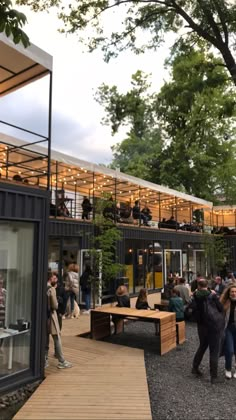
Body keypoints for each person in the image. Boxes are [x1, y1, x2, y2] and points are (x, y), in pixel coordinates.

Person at [191, 279, 224, 384]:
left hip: (201, 326)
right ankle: (213, 377)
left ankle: (195, 368)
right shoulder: (212, 295)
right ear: (207, 285)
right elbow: (221, 308)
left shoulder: (195, 295)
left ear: (198, 286)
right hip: (214, 326)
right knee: (214, 350)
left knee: (202, 346)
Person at [45, 272, 72, 369]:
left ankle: (45, 360)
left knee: (45, 339)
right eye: (53, 278)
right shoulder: (51, 289)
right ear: (50, 279)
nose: (55, 279)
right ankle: (61, 361)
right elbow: (55, 305)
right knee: (56, 337)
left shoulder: (40, 287)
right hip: (51, 316)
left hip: (42, 316)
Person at [220, 284, 236, 379]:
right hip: (228, 328)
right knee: (229, 350)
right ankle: (228, 368)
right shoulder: (225, 302)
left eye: (235, 291)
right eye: (232, 292)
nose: (234, 293)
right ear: (229, 293)